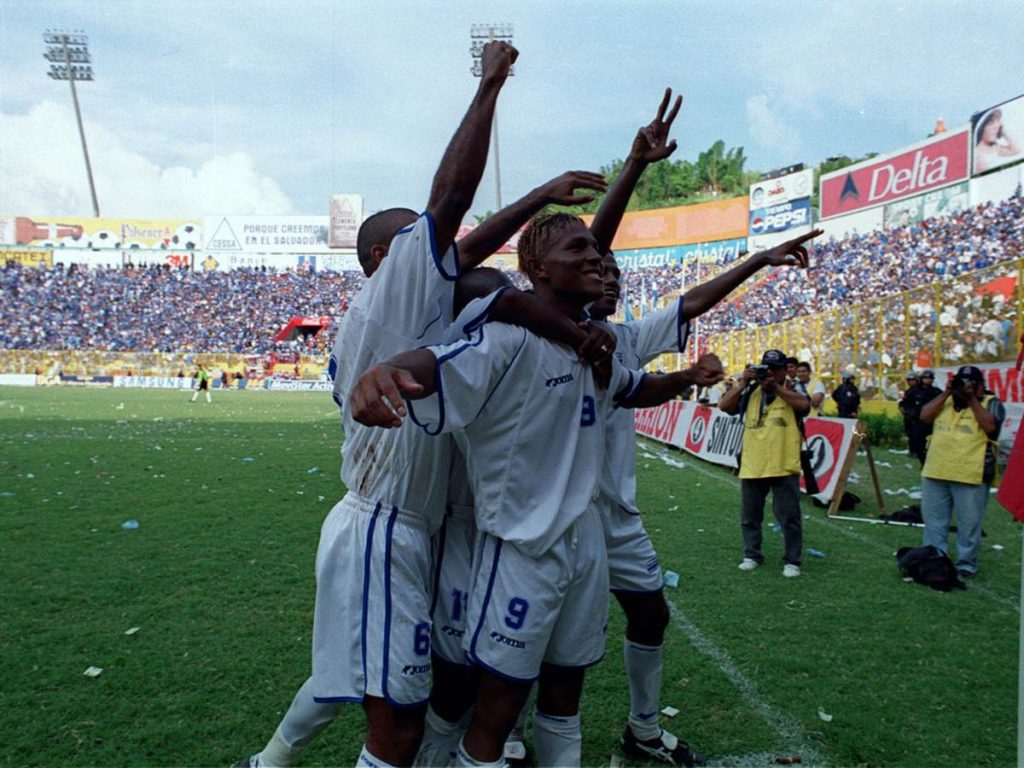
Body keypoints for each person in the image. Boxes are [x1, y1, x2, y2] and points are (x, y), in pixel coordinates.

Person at [237, 40, 521, 768]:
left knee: (366, 685)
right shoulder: (388, 300)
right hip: (384, 526)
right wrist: (489, 87)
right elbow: (450, 208)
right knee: (392, 717)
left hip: (411, 528)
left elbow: (462, 246)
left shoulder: (408, 309)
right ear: (381, 261)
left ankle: (269, 760)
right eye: (414, 243)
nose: (438, 251)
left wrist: (538, 199)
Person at [351, 212, 718, 768]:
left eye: (597, 250)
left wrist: (687, 379)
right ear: (537, 268)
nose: (596, 258)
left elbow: (635, 388)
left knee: (565, 702)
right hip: (522, 548)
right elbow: (437, 363)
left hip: (586, 542)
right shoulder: (506, 341)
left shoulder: (598, 349)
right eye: (579, 249)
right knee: (495, 713)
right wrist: (388, 369)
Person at [585, 104, 821, 760]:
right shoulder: (546, 330)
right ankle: (511, 741)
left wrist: (760, 260)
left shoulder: (624, 337)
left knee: (650, 614)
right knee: (553, 641)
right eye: (595, 269)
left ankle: (643, 729)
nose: (607, 276)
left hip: (617, 515)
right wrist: (632, 166)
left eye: (614, 274)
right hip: (558, 516)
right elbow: (592, 246)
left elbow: (691, 304)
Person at [718, 349, 812, 578]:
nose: (769, 373)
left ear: (783, 370)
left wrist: (776, 388)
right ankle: (752, 554)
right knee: (750, 515)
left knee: (789, 516)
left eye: (775, 369)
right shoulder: (751, 390)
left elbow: (804, 406)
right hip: (753, 461)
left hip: (783, 461)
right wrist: (743, 382)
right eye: (765, 369)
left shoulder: (792, 387)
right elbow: (724, 406)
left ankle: (792, 560)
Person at [919, 365, 1005, 578]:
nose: (963, 386)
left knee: (969, 524)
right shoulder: (945, 399)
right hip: (937, 470)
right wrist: (948, 392)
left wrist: (972, 399)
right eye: (960, 381)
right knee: (934, 521)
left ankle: (966, 564)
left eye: (969, 383)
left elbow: (991, 427)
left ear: (979, 386)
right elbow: (924, 416)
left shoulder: (990, 403)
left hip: (971, 474)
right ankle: (935, 559)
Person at [898, 370, 942, 465]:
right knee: (917, 440)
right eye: (925, 378)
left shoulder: (936, 392)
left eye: (929, 378)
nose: (927, 380)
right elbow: (904, 404)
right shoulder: (913, 391)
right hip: (916, 421)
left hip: (932, 420)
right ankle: (916, 454)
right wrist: (908, 413)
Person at [974, 108, 1020, 174]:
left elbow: (1016, 150)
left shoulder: (994, 148)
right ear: (981, 128)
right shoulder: (976, 153)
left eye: (997, 122)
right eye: (990, 123)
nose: (995, 127)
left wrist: (1003, 132)